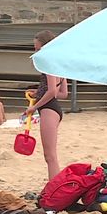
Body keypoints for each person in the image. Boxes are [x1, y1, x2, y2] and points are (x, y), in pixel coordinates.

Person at [25, 30, 68, 180]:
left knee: (50, 156)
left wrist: (34, 106)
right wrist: (38, 93)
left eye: (38, 49)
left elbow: (51, 92)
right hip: (54, 108)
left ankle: (54, 189)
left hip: (48, 109)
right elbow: (62, 93)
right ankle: (54, 188)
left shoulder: (48, 63)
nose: (36, 52)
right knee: (50, 155)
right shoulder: (58, 64)